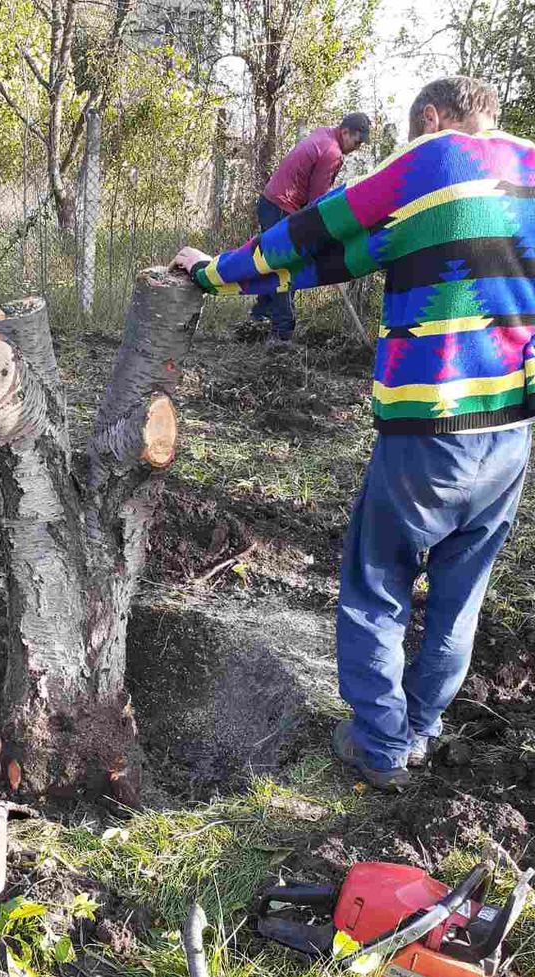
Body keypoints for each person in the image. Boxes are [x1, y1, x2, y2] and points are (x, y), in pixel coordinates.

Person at [171, 76, 534, 792]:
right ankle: (421, 729)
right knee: (462, 595)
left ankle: (378, 744)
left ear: (429, 116)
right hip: (512, 433)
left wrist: (214, 273)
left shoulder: (431, 160)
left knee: (377, 583)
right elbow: (348, 260)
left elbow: (314, 232)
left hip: (428, 427)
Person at [248, 112, 371, 339]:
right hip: (281, 207)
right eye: (357, 141)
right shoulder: (332, 152)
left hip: (269, 202)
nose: (357, 147)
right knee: (287, 268)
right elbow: (318, 202)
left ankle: (259, 317)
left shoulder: (324, 133)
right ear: (345, 132)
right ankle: (281, 333)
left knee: (274, 263)